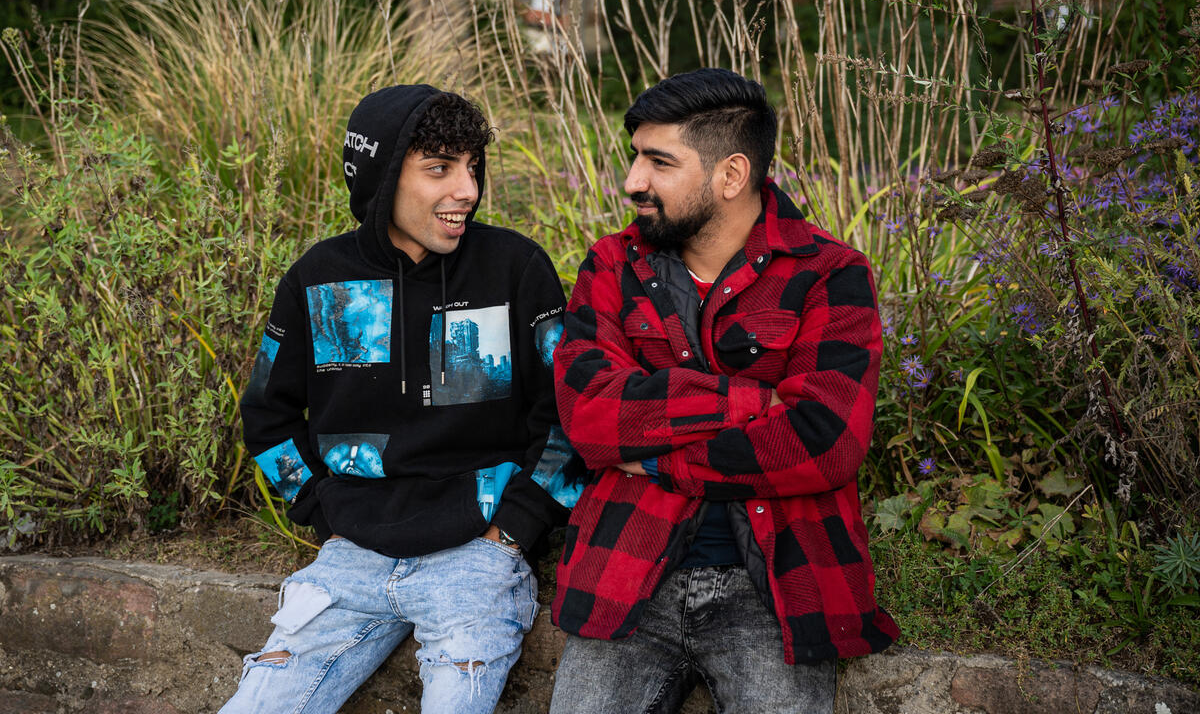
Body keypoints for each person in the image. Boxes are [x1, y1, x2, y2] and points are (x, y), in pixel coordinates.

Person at [549, 68, 899, 713]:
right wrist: (748, 403)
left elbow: (825, 442)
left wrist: (653, 454)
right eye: (636, 158)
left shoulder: (831, 274)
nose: (633, 182)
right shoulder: (611, 265)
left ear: (731, 175)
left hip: (775, 587)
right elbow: (589, 417)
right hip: (627, 569)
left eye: (659, 162)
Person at [222, 85, 579, 714]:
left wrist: (516, 528)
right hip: (350, 558)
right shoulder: (318, 278)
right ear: (383, 178)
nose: (467, 189)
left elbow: (570, 417)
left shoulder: (516, 268)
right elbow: (266, 413)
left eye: (472, 167)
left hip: (478, 558)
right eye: (439, 169)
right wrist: (321, 507)